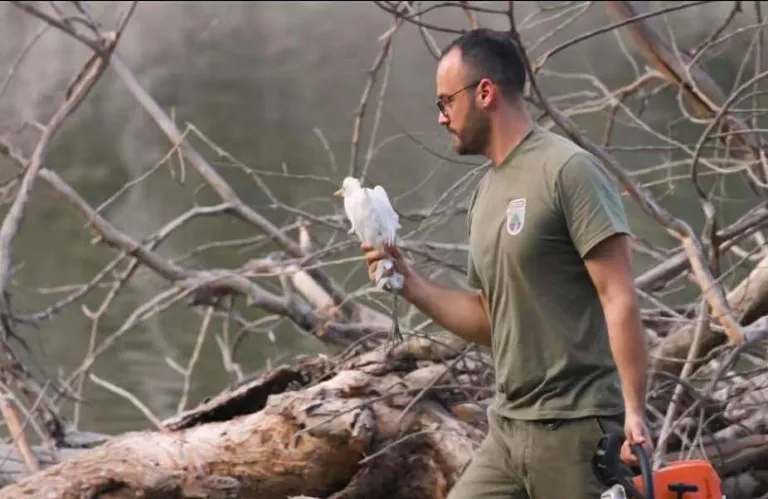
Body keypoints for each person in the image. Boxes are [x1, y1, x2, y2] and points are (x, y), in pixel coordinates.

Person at [360, 28, 653, 498]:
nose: (441, 118)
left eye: (445, 102)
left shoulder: (568, 170)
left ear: (485, 92)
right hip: (508, 430)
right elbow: (489, 318)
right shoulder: (484, 194)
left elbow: (618, 296)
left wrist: (634, 410)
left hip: (576, 428)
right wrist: (408, 281)